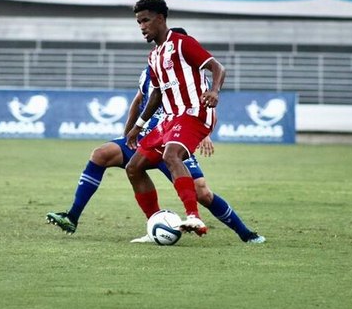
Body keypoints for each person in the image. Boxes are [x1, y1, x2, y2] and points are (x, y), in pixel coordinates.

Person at [47, 27, 264, 244]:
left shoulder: (191, 75)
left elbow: (203, 107)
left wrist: (203, 135)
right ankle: (75, 216)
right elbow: (139, 100)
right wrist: (132, 130)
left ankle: (245, 233)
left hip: (177, 134)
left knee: (202, 193)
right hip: (151, 134)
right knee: (103, 155)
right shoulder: (152, 68)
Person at [123, 0, 264, 241]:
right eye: (138, 23)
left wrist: (214, 91)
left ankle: (193, 216)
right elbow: (156, 94)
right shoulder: (154, 56)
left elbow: (218, 67)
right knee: (134, 167)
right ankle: (155, 223)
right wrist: (138, 126)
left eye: (145, 20)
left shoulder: (182, 43)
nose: (142, 27)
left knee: (171, 156)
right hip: (170, 119)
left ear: (160, 19)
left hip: (194, 113)